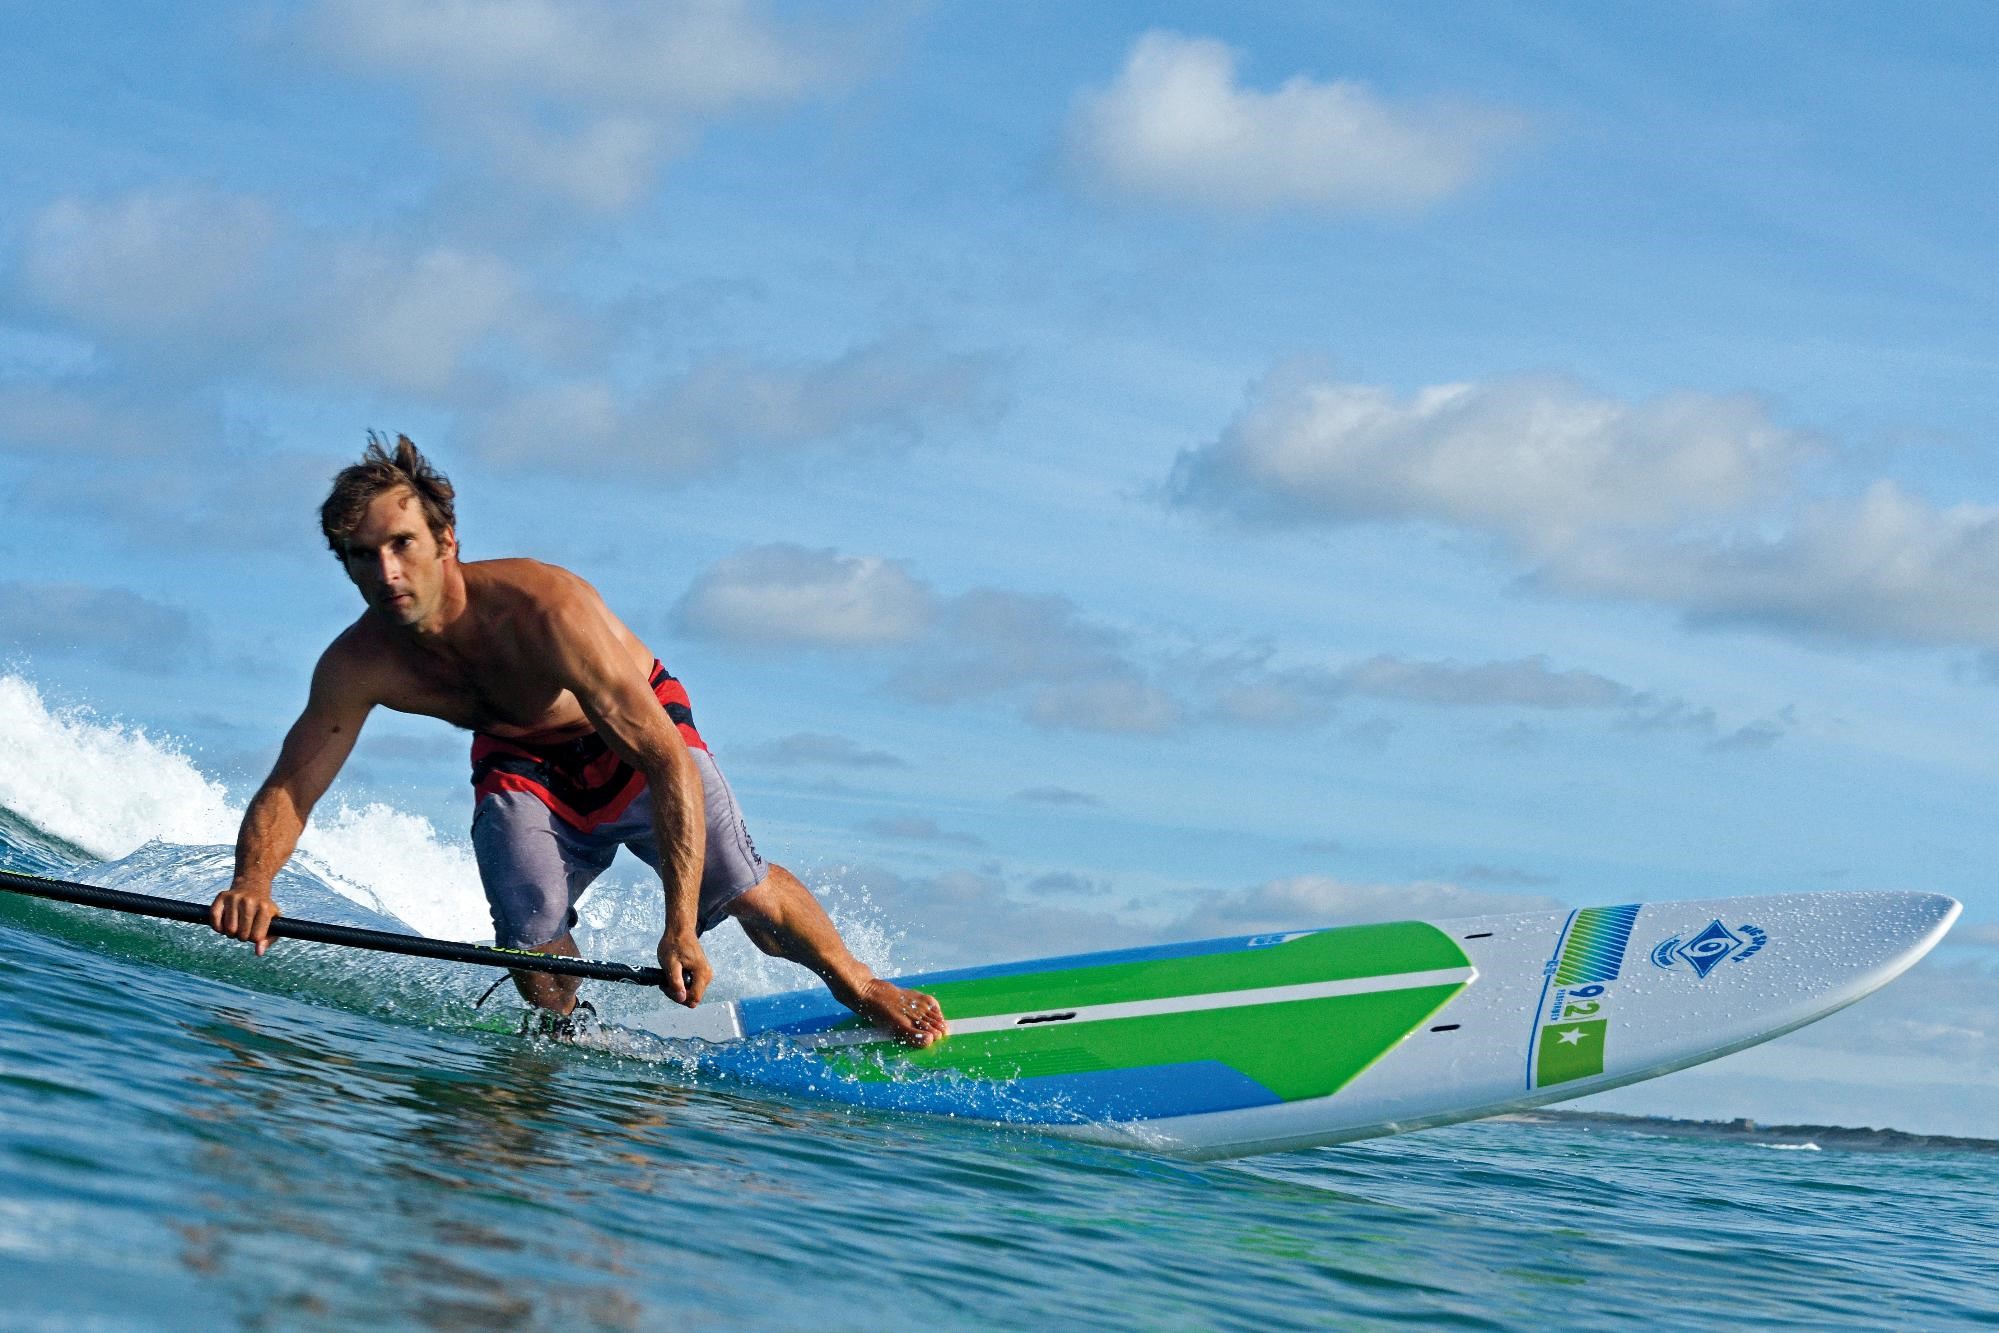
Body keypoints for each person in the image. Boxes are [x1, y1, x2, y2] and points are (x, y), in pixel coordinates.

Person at [207, 434, 947, 1046]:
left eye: (401, 544)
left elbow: (664, 760)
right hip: (521, 762)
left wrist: (679, 930)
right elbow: (293, 784)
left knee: (746, 893)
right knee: (530, 940)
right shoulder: (357, 662)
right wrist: (253, 882)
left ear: (446, 540)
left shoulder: (546, 608)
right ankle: (569, 1043)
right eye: (362, 556)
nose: (386, 571)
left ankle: (859, 984)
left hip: (627, 740)